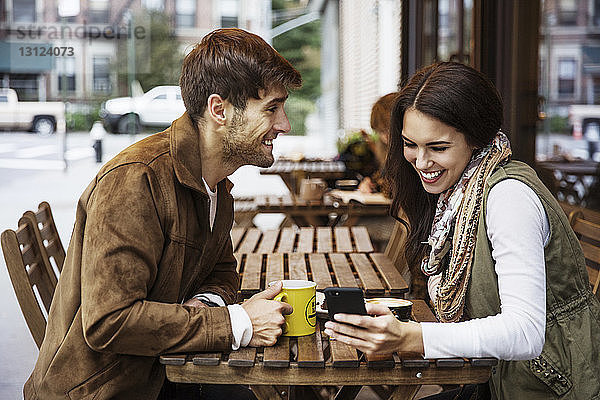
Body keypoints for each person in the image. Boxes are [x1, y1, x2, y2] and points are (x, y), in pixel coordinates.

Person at [24, 28, 300, 400]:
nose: (285, 124)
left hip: (162, 370)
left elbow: (221, 273)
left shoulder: (215, 182)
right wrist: (238, 322)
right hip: (106, 388)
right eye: (272, 108)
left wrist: (200, 308)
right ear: (219, 110)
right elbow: (109, 321)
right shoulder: (136, 180)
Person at [324, 62, 600, 399]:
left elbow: (525, 333)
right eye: (411, 144)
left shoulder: (508, 196)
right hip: (498, 379)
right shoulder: (459, 194)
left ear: (475, 138)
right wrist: (400, 327)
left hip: (550, 386)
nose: (421, 162)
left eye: (438, 148)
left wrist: (412, 337)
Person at [358, 92, 398, 194]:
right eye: (380, 131)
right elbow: (382, 180)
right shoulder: (386, 153)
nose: (385, 137)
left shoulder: (413, 157)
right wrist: (370, 183)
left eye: (388, 129)